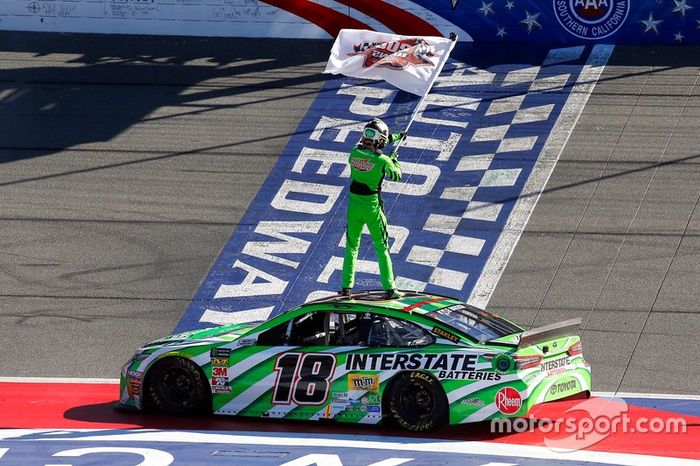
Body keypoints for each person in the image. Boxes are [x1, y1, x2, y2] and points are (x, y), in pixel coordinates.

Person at [340, 118, 405, 300]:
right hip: (373, 209)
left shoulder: (353, 153)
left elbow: (373, 142)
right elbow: (397, 175)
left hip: (354, 208)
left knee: (351, 246)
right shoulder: (383, 161)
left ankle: (346, 287)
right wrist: (395, 160)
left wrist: (397, 137)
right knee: (381, 247)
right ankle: (390, 288)